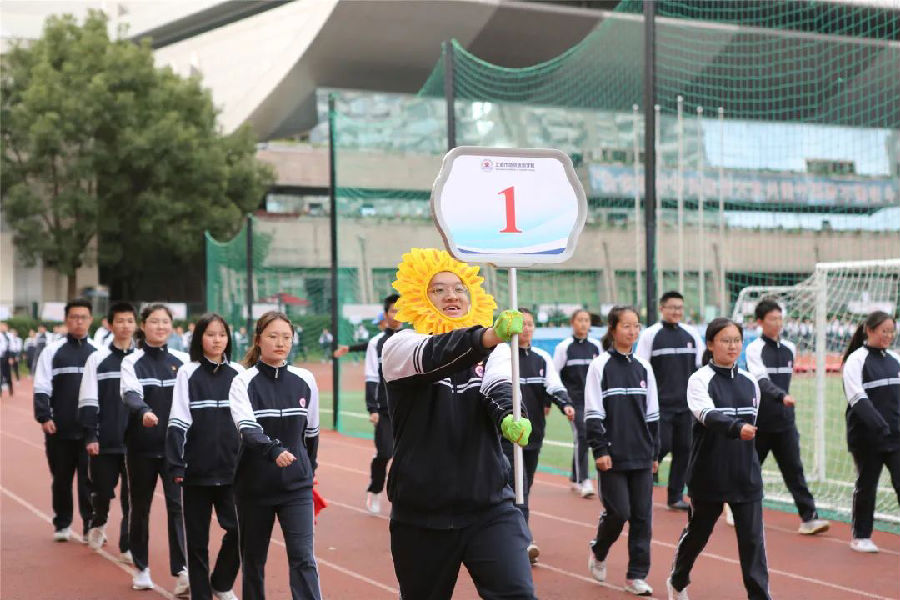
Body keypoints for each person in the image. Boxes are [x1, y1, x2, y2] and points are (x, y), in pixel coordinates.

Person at [382, 247, 536, 600]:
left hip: (490, 507)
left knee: (518, 594)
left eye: (459, 288)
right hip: (421, 514)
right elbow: (435, 355)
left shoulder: (497, 350)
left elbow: (499, 386)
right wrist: (486, 337)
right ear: (419, 297)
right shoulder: (400, 346)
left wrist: (511, 416)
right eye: (438, 290)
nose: (451, 295)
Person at [668, 318, 770, 600]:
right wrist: (737, 428)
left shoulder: (750, 382)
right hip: (709, 473)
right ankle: (678, 578)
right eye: (725, 340)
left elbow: (754, 422)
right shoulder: (699, 380)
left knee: (753, 542)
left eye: (737, 340)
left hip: (745, 475)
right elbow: (707, 415)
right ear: (711, 344)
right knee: (698, 534)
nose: (732, 346)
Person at [229, 311, 322, 600]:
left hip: (296, 488)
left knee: (303, 558)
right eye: (273, 336)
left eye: (286, 337)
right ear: (258, 340)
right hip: (254, 487)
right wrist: (274, 450)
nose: (280, 343)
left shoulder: (305, 379)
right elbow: (247, 428)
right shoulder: (243, 382)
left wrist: (307, 469)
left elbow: (312, 433)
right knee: (253, 560)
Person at [167, 313, 243, 600]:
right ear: (199, 338)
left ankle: (221, 582)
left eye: (222, 334)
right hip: (196, 471)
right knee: (197, 542)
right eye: (210, 334)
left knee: (239, 530)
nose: (217, 340)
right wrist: (177, 464)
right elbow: (178, 419)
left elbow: (247, 421)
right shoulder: (188, 373)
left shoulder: (239, 373)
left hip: (232, 471)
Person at [585, 306, 659, 596]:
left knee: (642, 517)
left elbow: (652, 415)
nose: (632, 331)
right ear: (613, 329)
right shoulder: (600, 366)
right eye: (626, 326)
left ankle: (636, 575)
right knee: (618, 513)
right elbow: (593, 412)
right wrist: (600, 450)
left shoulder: (644, 368)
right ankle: (599, 549)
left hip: (641, 454)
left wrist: (654, 454)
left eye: (636, 326)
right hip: (612, 455)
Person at [121, 303, 190, 594]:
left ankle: (182, 571)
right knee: (140, 507)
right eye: (154, 321)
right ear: (143, 325)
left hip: (174, 449)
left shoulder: (183, 361)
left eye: (165, 322)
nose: (160, 327)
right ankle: (141, 568)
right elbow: (130, 394)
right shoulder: (132, 361)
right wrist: (144, 411)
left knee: (177, 506)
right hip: (142, 447)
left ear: (171, 326)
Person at [744, 298, 829, 535]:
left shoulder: (790, 348)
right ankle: (735, 505)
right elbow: (761, 381)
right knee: (750, 469)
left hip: (785, 422)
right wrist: (781, 396)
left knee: (794, 469)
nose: (778, 323)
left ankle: (809, 517)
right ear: (760, 322)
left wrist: (784, 402)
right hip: (760, 421)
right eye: (772, 319)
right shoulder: (754, 349)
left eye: (780, 318)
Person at [500, 307, 573, 564]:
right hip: (508, 437)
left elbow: (554, 386)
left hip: (534, 436)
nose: (527, 329)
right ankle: (524, 541)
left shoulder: (542, 358)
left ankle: (506, 532)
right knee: (518, 487)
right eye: (522, 324)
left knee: (524, 487)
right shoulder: (501, 356)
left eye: (530, 324)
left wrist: (565, 404)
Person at [33, 298, 97, 541]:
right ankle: (62, 524)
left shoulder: (98, 352)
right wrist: (44, 416)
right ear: (66, 320)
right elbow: (41, 386)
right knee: (61, 479)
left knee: (89, 481)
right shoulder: (52, 351)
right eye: (74, 317)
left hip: (90, 430)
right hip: (59, 428)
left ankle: (91, 525)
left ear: (90, 320)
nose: (78, 321)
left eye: (83, 317)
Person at [78, 302, 137, 562]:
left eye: (130, 321)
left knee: (132, 497)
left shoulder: (141, 359)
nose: (125, 326)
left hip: (135, 443)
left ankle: (128, 544)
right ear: (110, 325)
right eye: (120, 321)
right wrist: (91, 434)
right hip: (105, 440)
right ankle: (99, 520)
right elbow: (88, 398)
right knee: (103, 490)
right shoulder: (98, 359)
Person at [635, 291, 703, 511]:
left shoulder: (691, 334)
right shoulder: (650, 335)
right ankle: (641, 485)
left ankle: (675, 496)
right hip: (660, 405)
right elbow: (641, 368)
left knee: (684, 450)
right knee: (661, 446)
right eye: (672, 307)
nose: (676, 311)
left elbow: (701, 367)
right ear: (662, 308)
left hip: (686, 406)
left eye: (680, 308)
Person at [841, 311, 900, 554]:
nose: (888, 335)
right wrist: (879, 424)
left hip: (895, 436)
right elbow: (857, 397)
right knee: (867, 484)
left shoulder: (895, 359)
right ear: (870, 330)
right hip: (867, 437)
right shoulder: (856, 360)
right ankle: (861, 536)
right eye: (884, 331)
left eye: (891, 331)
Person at [553, 308, 602, 498]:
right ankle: (584, 480)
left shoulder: (596, 346)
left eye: (586, 320)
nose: (583, 323)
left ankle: (575, 476)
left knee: (588, 435)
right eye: (580, 320)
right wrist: (555, 401)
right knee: (582, 434)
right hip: (574, 402)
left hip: (594, 400)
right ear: (572, 323)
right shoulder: (564, 347)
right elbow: (554, 375)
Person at [363, 294, 402, 515]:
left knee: (407, 456)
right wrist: (372, 408)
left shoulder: (413, 338)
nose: (397, 315)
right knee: (385, 452)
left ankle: (401, 496)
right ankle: (375, 490)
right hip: (385, 410)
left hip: (408, 409)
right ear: (386, 314)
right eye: (393, 311)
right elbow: (371, 376)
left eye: (401, 310)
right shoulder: (376, 343)